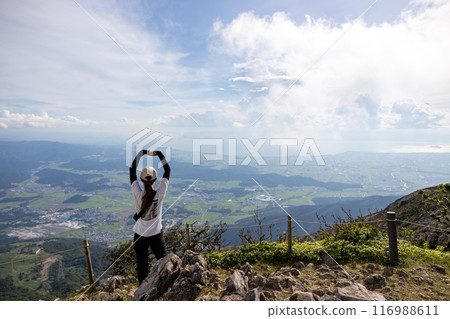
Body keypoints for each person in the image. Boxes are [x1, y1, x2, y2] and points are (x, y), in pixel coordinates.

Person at [129, 149, 170, 285]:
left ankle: (143, 293)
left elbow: (132, 170)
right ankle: (165, 287)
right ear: (156, 179)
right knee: (163, 262)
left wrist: (142, 153)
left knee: (142, 266)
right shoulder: (160, 193)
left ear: (141, 179)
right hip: (156, 235)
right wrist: (159, 154)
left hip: (139, 235)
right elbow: (167, 170)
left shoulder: (137, 193)